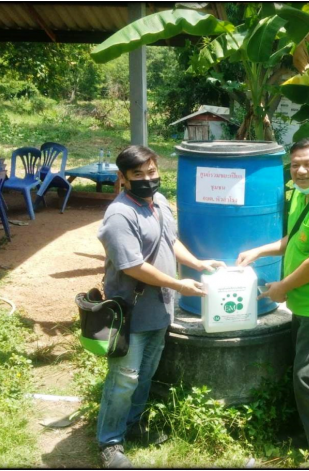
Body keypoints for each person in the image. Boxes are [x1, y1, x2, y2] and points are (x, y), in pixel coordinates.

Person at [96, 145, 225, 468]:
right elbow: (133, 267)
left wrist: (197, 263)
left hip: (160, 307)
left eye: (151, 172)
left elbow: (169, 241)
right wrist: (180, 284)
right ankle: (110, 442)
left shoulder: (160, 203)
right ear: (122, 178)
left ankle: (133, 424)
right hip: (131, 310)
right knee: (124, 377)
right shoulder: (119, 215)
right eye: (137, 174)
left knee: (146, 374)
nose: (146, 179)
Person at [236, 138, 309, 468]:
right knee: (305, 374)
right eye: (295, 165)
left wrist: (282, 288)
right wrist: (261, 250)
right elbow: (299, 237)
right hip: (305, 302)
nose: (301, 171)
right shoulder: (308, 196)